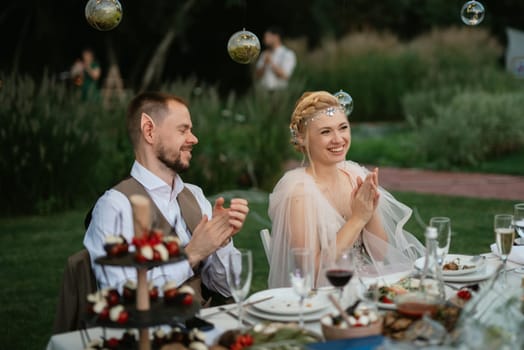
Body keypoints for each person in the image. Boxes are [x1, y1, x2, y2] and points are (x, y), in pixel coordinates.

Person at [84, 92, 249, 305]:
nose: (194, 139)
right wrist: (191, 254)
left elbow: (228, 288)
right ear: (149, 131)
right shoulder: (115, 207)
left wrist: (222, 240)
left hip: (208, 327)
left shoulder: (194, 195)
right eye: (183, 130)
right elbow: (123, 298)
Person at [267, 91, 424, 288]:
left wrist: (369, 211)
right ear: (302, 139)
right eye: (325, 132)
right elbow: (313, 272)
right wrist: (357, 218)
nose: (338, 139)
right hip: (323, 297)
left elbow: (379, 254)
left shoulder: (353, 174)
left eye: (343, 128)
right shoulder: (299, 192)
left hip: (364, 285)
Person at [254, 26, 296, 91]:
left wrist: (271, 62)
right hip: (263, 91)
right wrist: (264, 64)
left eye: (267, 37)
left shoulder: (287, 54)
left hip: (279, 92)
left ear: (276, 37)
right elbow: (257, 75)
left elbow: (285, 76)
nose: (265, 39)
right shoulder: (264, 54)